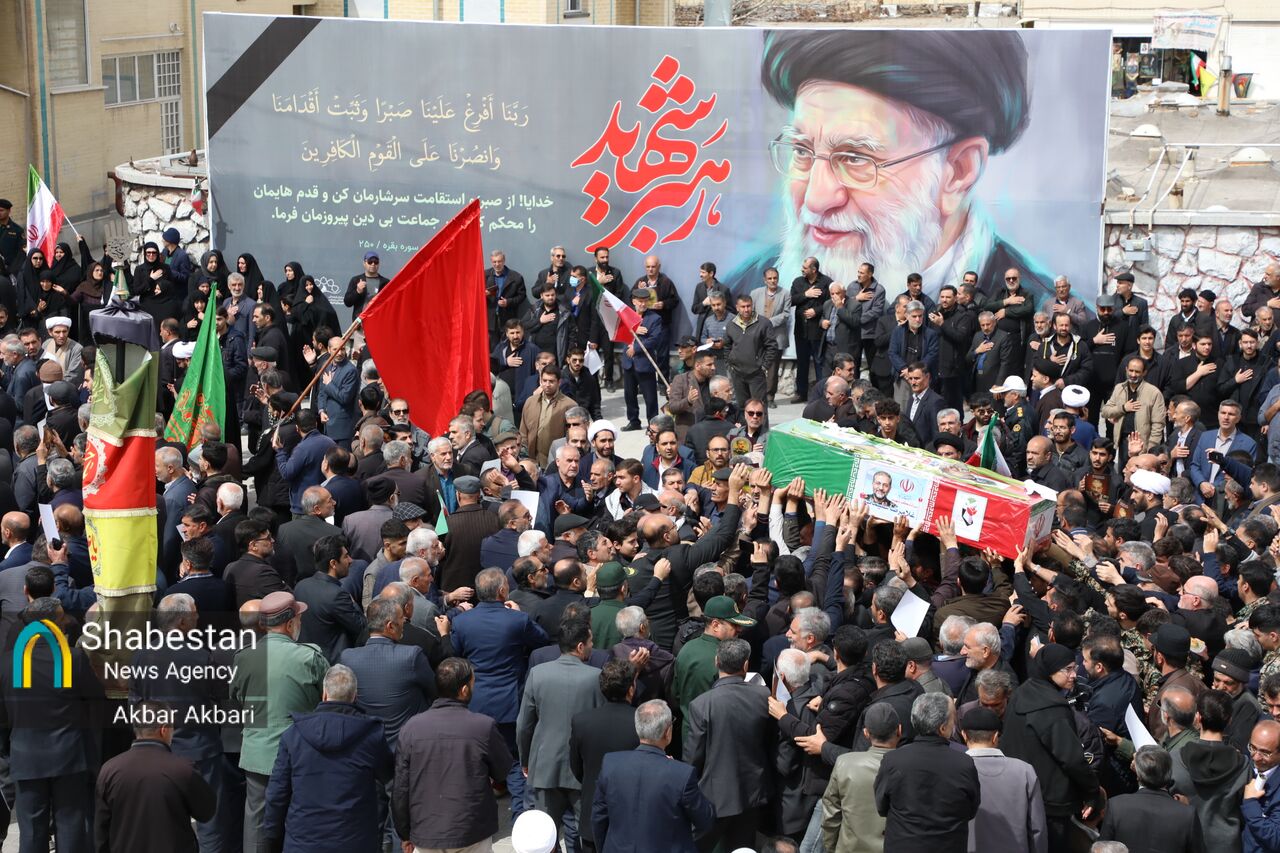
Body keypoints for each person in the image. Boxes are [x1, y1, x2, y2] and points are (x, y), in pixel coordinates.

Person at [229, 590, 328, 853]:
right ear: (290, 623)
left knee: (257, 819)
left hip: (257, 750)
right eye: (299, 618)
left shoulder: (243, 657)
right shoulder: (310, 656)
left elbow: (236, 698)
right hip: (301, 752)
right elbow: (327, 700)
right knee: (301, 815)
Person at [451, 568, 551, 820]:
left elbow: (456, 653)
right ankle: (520, 817)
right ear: (502, 591)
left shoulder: (462, 621)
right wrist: (519, 614)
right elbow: (542, 640)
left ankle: (474, 817)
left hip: (475, 702)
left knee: (476, 761)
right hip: (509, 702)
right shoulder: (517, 620)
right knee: (515, 761)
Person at [262, 664, 393, 853]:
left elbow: (277, 795)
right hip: (356, 843)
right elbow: (391, 780)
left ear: (324, 694)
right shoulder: (372, 735)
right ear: (354, 697)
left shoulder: (293, 735)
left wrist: (272, 839)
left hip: (303, 843)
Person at [394, 657, 513, 853]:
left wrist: (404, 833)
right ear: (464, 690)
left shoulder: (411, 728)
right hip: (472, 831)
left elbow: (400, 788)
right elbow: (502, 772)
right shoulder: (483, 726)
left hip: (426, 832)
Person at [517, 618, 605, 850]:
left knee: (544, 836)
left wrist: (525, 760)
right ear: (580, 646)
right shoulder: (596, 677)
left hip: (545, 765)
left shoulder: (537, 674)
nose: (592, 646)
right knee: (585, 832)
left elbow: (524, 725)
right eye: (590, 642)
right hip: (582, 768)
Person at [1000, 643, 1099, 850]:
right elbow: (1072, 758)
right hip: (1052, 803)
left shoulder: (1021, 694)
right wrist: (1091, 792)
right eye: (1068, 669)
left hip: (1018, 793)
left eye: (1075, 668)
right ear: (1049, 670)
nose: (1074, 675)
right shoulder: (1053, 708)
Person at [685, 637, 774, 852]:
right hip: (752, 792)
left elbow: (693, 756)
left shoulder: (702, 704)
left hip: (714, 796)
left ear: (716, 661)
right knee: (742, 846)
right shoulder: (763, 696)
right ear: (746, 665)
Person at [93, 700, 217, 853]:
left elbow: (101, 831)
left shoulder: (109, 770)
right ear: (164, 730)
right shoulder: (183, 769)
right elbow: (206, 812)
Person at [592, 699, 715, 853]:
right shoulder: (682, 774)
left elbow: (598, 818)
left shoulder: (611, 764)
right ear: (667, 732)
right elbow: (705, 819)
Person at [874, 693, 981, 853]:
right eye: (953, 719)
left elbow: (882, 806)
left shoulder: (894, 760)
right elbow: (971, 810)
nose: (955, 724)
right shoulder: (963, 763)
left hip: (903, 845)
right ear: (942, 728)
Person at [569, 659, 642, 852]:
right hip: (631, 814)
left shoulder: (581, 721)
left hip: (593, 809)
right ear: (631, 690)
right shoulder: (642, 723)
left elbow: (576, 767)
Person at [960, 706, 1047, 853]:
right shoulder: (1024, 771)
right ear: (995, 736)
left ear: (964, 735)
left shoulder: (954, 771)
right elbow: (1037, 828)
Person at [820, 701, 899, 853]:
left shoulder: (845, 763)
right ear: (899, 730)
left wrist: (832, 847)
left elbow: (830, 815)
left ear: (866, 733)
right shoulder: (910, 768)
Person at [1099, 745, 1203, 853]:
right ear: (1169, 773)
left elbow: (1101, 849)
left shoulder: (1116, 806)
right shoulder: (1187, 814)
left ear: (1138, 776)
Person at [750, 267, 792, 406]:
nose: (773, 281)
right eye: (770, 278)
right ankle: (756, 396)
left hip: (776, 337)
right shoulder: (755, 293)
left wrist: (768, 322)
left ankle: (769, 397)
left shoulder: (785, 293)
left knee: (773, 370)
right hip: (758, 337)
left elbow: (786, 314)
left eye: (775, 278)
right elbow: (750, 312)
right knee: (756, 367)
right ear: (765, 280)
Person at [344, 251, 389, 317]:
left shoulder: (385, 282)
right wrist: (357, 291)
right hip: (360, 321)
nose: (373, 264)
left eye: (376, 262)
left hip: (378, 320)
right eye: (370, 261)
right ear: (364, 263)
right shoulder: (356, 280)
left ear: (379, 264)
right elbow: (347, 302)